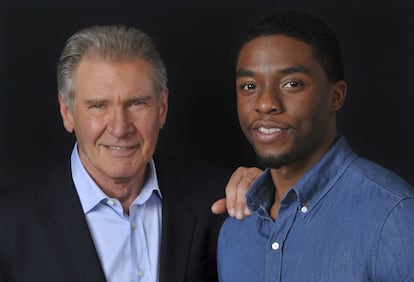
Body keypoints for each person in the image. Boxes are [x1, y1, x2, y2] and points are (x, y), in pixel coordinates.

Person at [0, 24, 257, 282]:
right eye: (99, 105)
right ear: (67, 112)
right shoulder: (8, 224)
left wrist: (269, 198)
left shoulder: (219, 200)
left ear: (162, 108)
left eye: (136, 103)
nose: (120, 128)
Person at [217, 10, 414, 282]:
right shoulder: (235, 230)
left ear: (336, 96)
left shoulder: (393, 217)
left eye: (292, 84)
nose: (265, 103)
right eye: (249, 86)